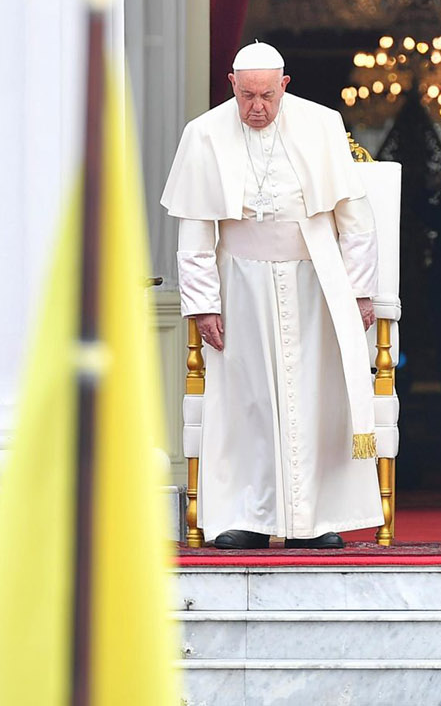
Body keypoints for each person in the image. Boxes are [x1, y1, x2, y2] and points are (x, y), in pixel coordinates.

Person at [162, 42, 382, 549]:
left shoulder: (323, 124)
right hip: (240, 282)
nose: (257, 107)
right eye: (246, 96)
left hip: (315, 281)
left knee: (316, 395)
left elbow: (355, 219)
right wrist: (203, 304)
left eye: (267, 95)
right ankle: (248, 516)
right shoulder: (203, 134)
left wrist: (360, 292)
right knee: (248, 401)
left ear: (285, 85)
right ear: (231, 85)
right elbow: (195, 231)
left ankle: (316, 519)